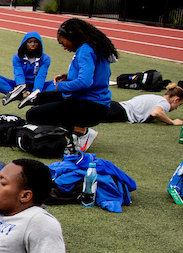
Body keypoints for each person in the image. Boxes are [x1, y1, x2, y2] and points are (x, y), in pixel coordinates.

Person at [21, 18, 119, 153]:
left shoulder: (86, 50)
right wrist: (69, 76)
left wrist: (61, 86)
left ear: (71, 36)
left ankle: (82, 133)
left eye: (63, 43)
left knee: (34, 115)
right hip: (95, 103)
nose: (64, 47)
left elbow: (85, 82)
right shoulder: (94, 46)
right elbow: (96, 73)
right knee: (42, 99)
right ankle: (75, 131)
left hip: (91, 106)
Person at [0, 31, 52, 105]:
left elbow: (41, 76)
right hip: (20, 86)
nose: (33, 44)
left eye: (35, 42)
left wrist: (36, 91)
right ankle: (19, 95)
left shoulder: (45, 59)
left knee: (58, 84)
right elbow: (19, 74)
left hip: (37, 87)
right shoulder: (17, 57)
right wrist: (22, 90)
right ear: (25, 44)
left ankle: (34, 96)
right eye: (30, 42)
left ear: (39, 44)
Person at [101, 84, 183, 125]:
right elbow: (156, 113)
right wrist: (172, 122)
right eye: (179, 104)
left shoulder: (154, 97)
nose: (177, 108)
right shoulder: (165, 103)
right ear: (176, 100)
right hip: (121, 112)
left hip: (118, 106)